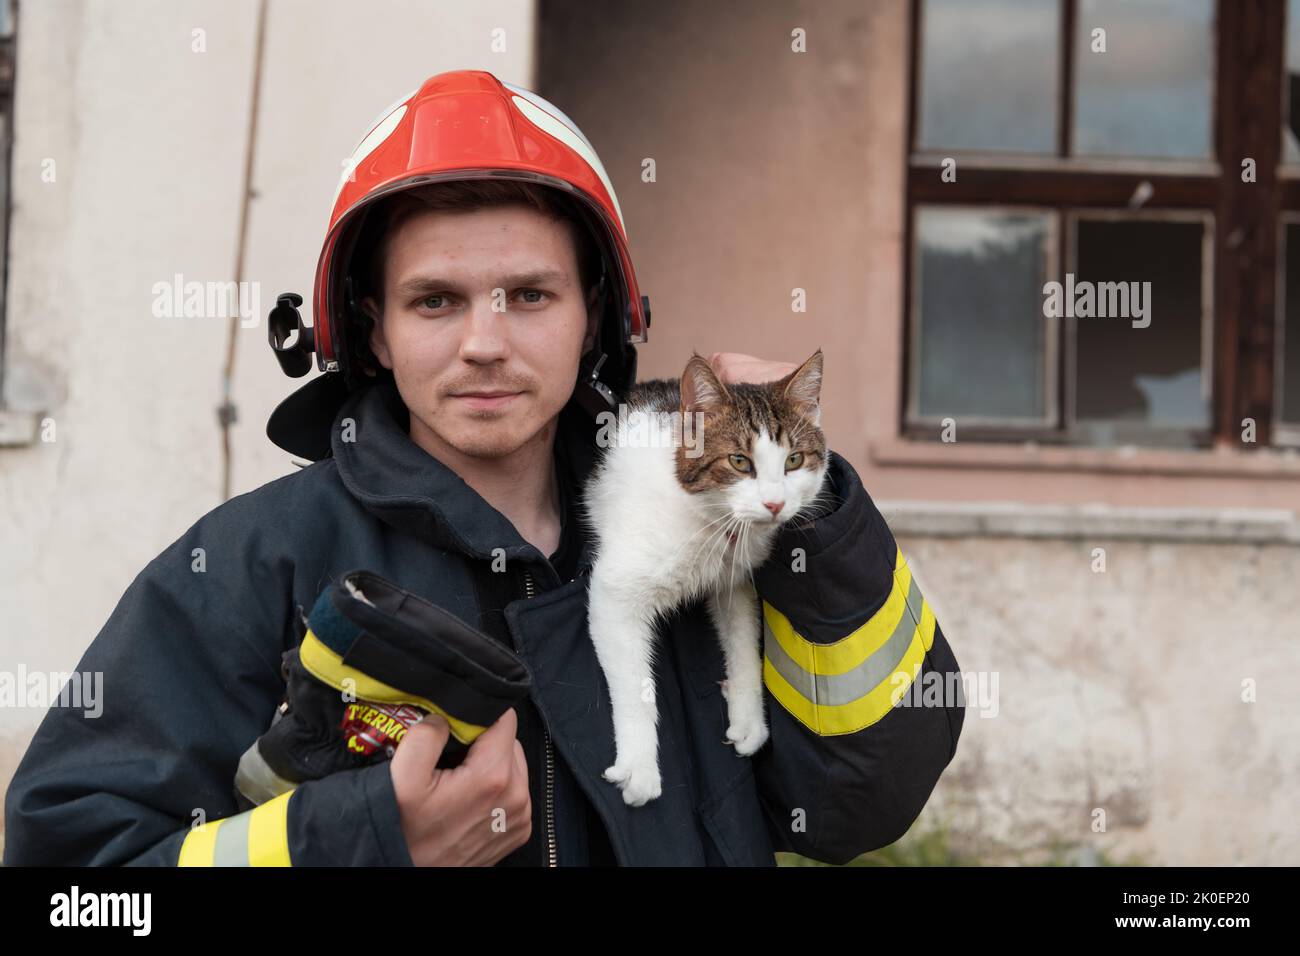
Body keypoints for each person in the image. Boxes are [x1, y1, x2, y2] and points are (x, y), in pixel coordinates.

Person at [3, 69, 965, 867]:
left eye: (529, 294)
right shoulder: (252, 566)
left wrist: (820, 515)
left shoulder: (718, 530)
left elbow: (860, 802)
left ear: (597, 316)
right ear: (371, 331)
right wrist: (370, 841)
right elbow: (76, 875)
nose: (485, 344)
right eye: (435, 302)